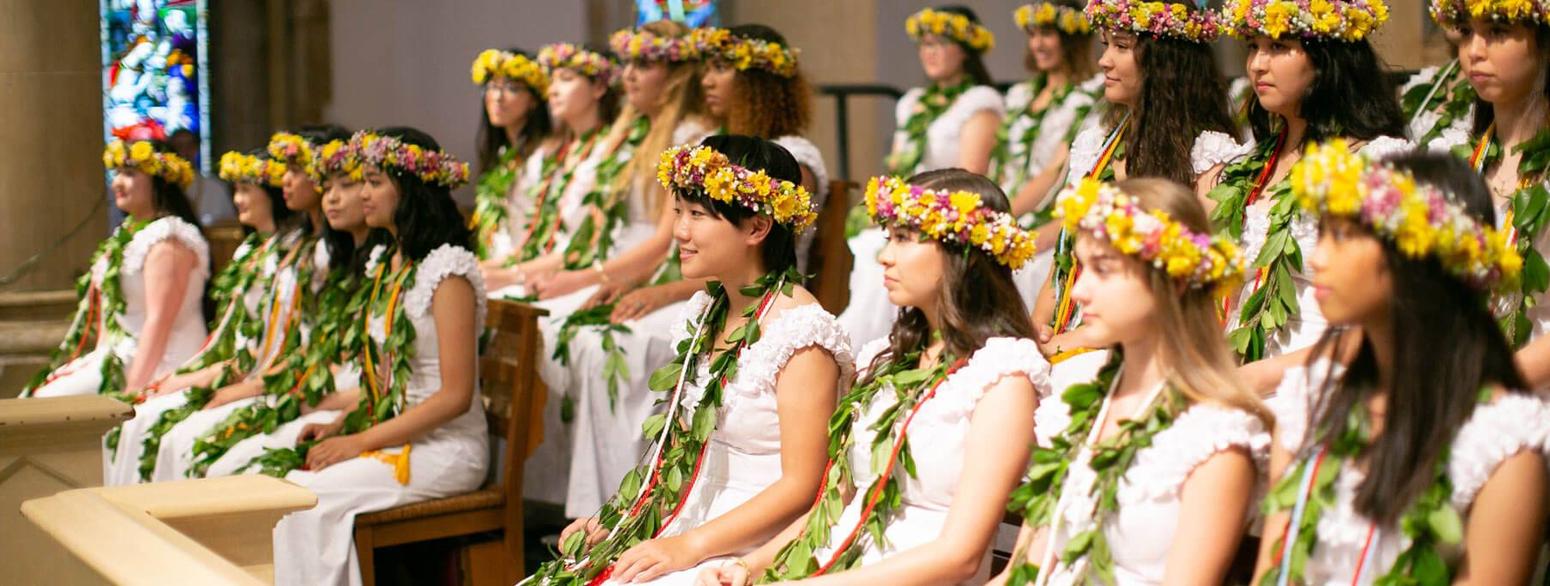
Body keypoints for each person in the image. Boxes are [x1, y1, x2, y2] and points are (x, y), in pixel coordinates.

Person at [528, 136, 849, 586]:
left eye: (697, 215)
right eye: (678, 212)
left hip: (753, 540)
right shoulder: (704, 310)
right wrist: (622, 517)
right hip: (690, 509)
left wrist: (687, 547)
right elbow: (680, 448)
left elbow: (803, 485)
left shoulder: (801, 335)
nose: (679, 232)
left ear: (757, 228)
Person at [700, 169, 1048, 585]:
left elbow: (959, 556)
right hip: (835, 566)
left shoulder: (1004, 376)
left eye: (903, 239)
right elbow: (836, 503)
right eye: (889, 238)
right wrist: (749, 566)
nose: (883, 256)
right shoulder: (886, 360)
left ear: (962, 251)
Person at [1254, 143, 1548, 584]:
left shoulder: (1501, 442)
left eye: (1342, 235)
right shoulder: (1311, 401)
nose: (1317, 259)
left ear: (1414, 251)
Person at [993, 177, 1269, 584]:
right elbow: (1022, 571)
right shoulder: (1079, 405)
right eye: (1083, 268)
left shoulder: (1216, 436)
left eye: (1103, 269)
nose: (1080, 290)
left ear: (1172, 281)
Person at [270, 127, 486, 586]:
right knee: (292, 489)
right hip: (396, 437)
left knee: (303, 500)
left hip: (446, 448)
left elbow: (456, 397)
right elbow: (383, 378)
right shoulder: (389, 262)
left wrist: (359, 442)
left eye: (373, 182)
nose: (362, 194)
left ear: (409, 189)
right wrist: (344, 425)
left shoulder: (448, 271)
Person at [1031, 0, 1242, 401]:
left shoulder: (1209, 155)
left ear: (1165, 61)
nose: (1103, 62)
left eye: (1121, 47)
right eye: (1104, 44)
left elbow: (1202, 286)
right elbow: (1063, 263)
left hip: (1154, 342)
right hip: (1076, 326)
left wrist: (1085, 338)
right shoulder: (1095, 145)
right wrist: (1038, 330)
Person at [1211, 0, 1410, 373]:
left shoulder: (1373, 162)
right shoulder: (1253, 161)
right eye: (1253, 45)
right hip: (1234, 367)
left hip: (1322, 375)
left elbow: (1392, 318)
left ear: (1326, 59)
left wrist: (1258, 379)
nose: (1257, 64)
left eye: (1279, 47)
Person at [149, 126, 351, 481]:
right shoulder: (298, 247)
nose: (284, 179)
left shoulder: (333, 254)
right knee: (173, 435)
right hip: (280, 379)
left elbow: (317, 348)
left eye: (295, 170)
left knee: (201, 448)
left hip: (307, 387)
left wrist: (250, 385)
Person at [102, 148, 292, 484]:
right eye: (236, 189)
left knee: (164, 431)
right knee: (141, 418)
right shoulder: (250, 250)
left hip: (260, 377)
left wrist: (217, 375)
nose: (238, 199)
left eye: (247, 189)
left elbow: (279, 343)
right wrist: (199, 373)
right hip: (234, 367)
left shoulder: (292, 256)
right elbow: (227, 334)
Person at [841, 5, 1004, 349]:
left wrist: (918, 212)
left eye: (939, 43)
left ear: (964, 49)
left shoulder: (979, 101)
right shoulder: (913, 101)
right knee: (866, 239)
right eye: (924, 44)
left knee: (877, 247)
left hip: (947, 208)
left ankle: (876, 340)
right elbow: (899, 164)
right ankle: (874, 340)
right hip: (910, 209)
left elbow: (970, 176)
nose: (929, 52)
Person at [25, 140, 209, 399]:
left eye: (130, 174)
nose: (117, 183)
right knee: (40, 397)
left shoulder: (170, 240)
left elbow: (159, 322)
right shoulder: (128, 235)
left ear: (160, 180)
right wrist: (98, 359)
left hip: (161, 361)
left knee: (49, 402)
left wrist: (133, 393)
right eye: (117, 173)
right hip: (122, 355)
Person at [1431, 0, 1550, 391]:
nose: (1474, 51)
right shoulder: (1456, 161)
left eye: (1497, 31)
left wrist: (1488, 390)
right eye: (1466, 32)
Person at [469, 47, 552, 262]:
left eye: (512, 88)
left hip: (530, 265)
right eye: (492, 87)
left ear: (534, 100)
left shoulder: (545, 156)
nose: (498, 97)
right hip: (498, 262)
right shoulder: (501, 153)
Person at [169, 128, 236, 226]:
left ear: (196, 149)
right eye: (179, 146)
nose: (184, 152)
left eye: (189, 146)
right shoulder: (163, 188)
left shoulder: (215, 187)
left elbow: (230, 225)